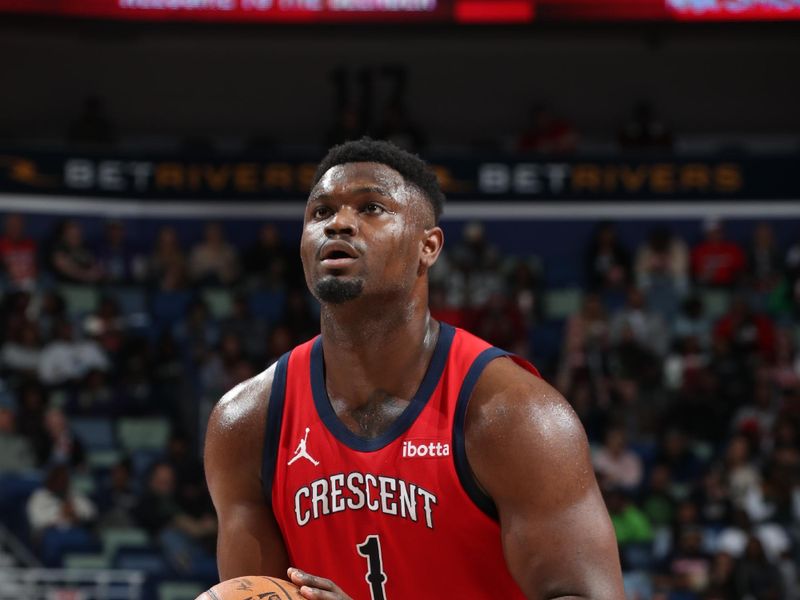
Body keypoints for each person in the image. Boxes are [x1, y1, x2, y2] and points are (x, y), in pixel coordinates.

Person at [205, 139, 624, 599]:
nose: (339, 223)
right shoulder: (246, 422)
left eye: (371, 207)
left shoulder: (515, 415)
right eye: (321, 212)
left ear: (429, 246)